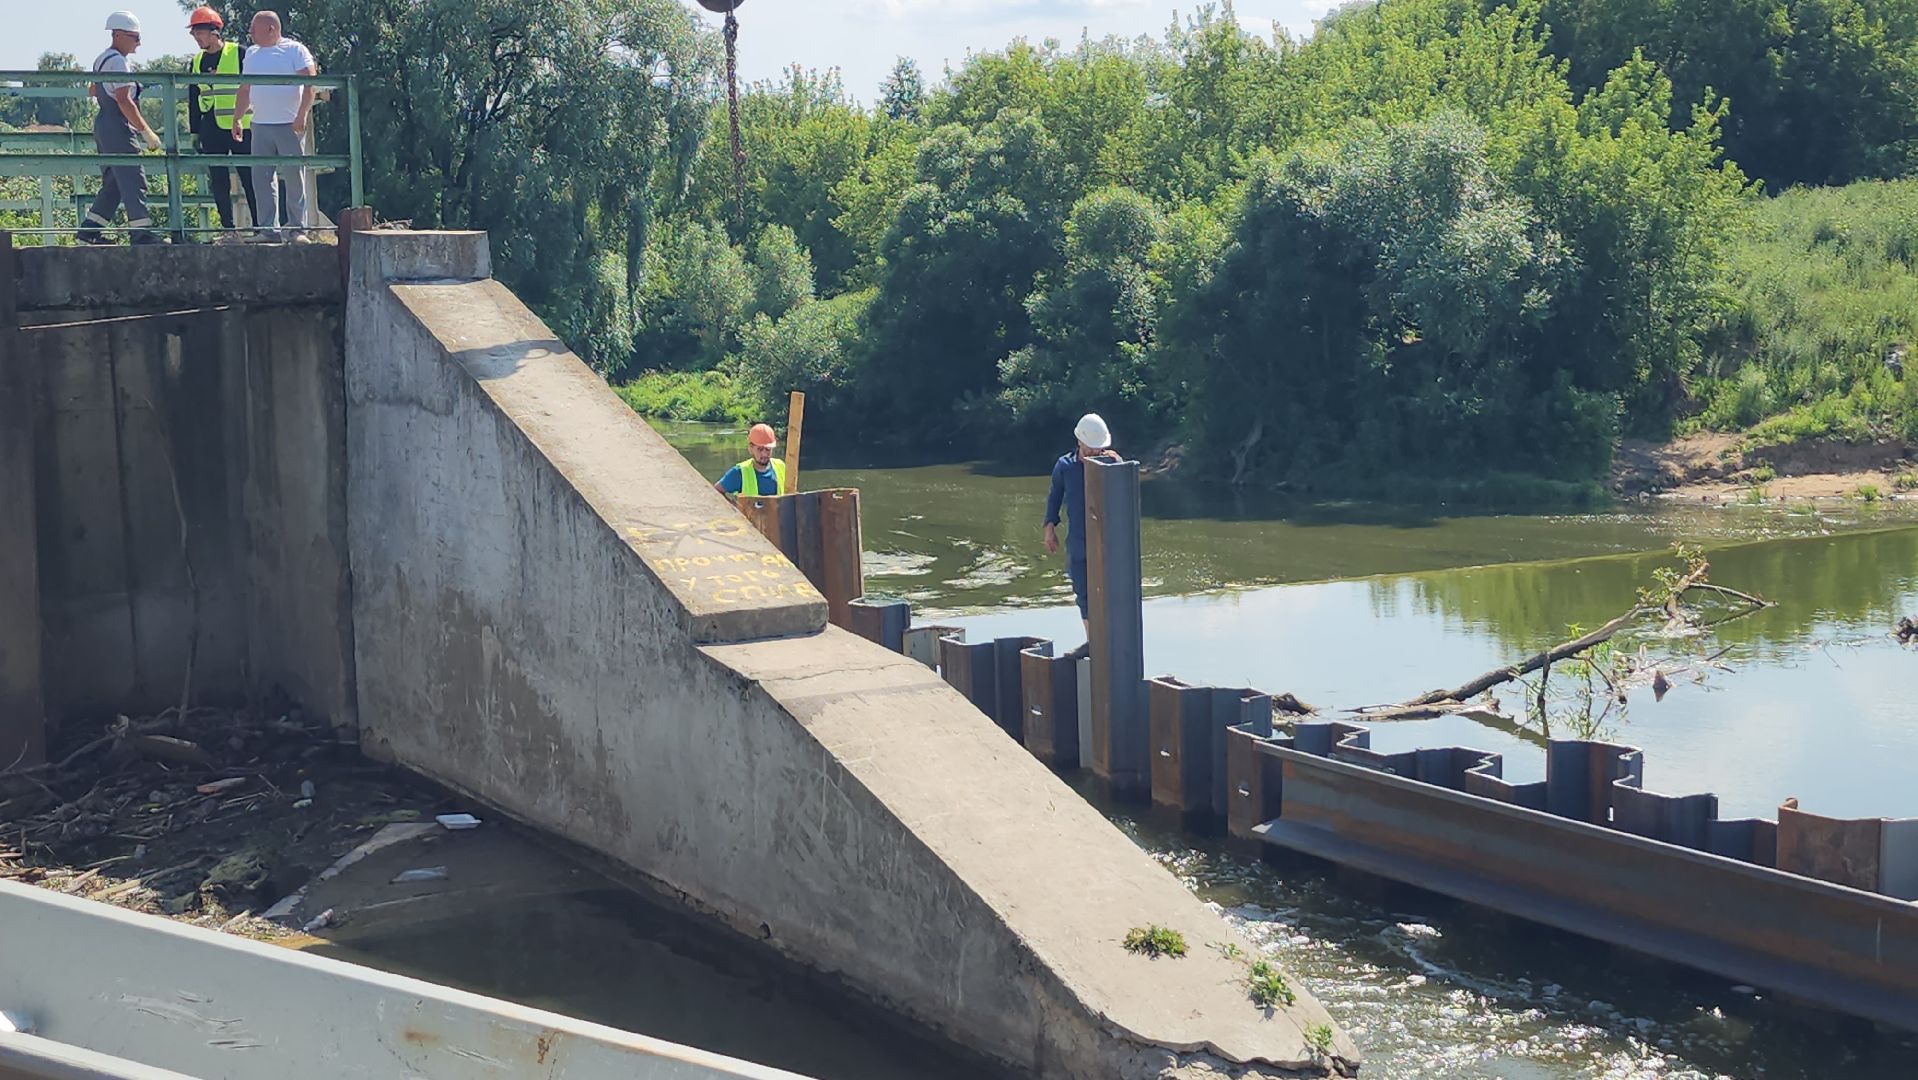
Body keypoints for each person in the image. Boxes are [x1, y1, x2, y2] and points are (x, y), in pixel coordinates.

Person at [78, 11, 165, 246]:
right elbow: (124, 100)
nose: (139, 43)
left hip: (104, 124)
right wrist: (146, 131)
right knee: (132, 176)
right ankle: (141, 232)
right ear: (118, 35)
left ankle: (90, 229)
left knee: (115, 182)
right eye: (135, 38)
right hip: (117, 124)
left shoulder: (102, 58)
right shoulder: (118, 61)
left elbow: (93, 90)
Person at [231, 11, 317, 244]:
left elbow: (310, 84)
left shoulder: (295, 50)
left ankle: (297, 229)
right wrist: (237, 117)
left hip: (289, 123)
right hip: (260, 124)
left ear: (271, 29)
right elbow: (245, 88)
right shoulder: (251, 53)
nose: (250, 32)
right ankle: (268, 229)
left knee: (293, 176)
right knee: (261, 177)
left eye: (254, 28)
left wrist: (302, 115)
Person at [1043, 413, 1120, 658]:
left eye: (1099, 449)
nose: (1094, 453)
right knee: (1083, 590)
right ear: (1080, 442)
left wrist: (1118, 463)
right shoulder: (1065, 466)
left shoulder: (1110, 465)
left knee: (1110, 590)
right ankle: (1092, 641)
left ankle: (1112, 639)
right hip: (1078, 540)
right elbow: (1054, 496)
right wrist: (1049, 527)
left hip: (1107, 542)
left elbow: (1126, 489)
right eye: (1091, 449)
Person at [185, 6, 258, 242]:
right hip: (211, 127)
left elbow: (254, 86)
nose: (197, 37)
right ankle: (229, 230)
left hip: (241, 126)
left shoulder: (240, 53)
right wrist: (195, 131)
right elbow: (194, 98)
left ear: (214, 31)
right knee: (218, 179)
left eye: (200, 32)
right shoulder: (196, 62)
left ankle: (260, 227)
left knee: (250, 177)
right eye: (194, 33)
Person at [714, 424, 787, 497]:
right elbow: (715, 492)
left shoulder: (781, 466)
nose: (764, 454)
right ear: (750, 448)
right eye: (760, 449)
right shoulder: (739, 472)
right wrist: (732, 506)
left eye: (768, 449)